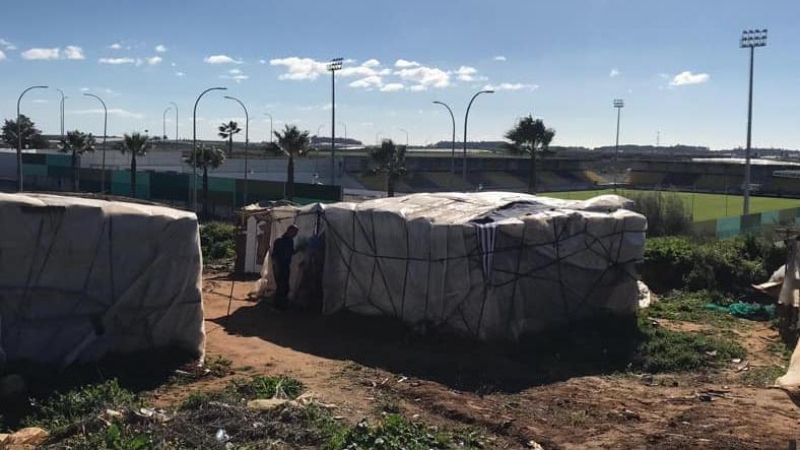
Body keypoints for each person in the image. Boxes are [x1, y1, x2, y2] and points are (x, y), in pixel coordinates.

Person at [271, 224, 298, 310]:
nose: (295, 235)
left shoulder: (280, 241)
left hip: (282, 265)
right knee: (282, 286)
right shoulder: (286, 242)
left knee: (282, 285)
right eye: (294, 233)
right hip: (282, 265)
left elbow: (276, 255)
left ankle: (279, 305)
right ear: (290, 231)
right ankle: (279, 306)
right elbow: (287, 253)